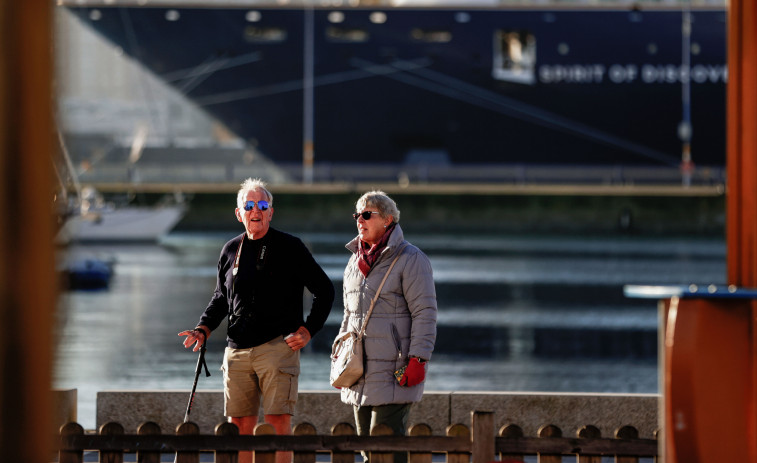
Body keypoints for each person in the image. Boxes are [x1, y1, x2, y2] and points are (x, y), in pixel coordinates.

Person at [179, 178, 335, 463]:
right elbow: (221, 298)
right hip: (236, 352)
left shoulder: (290, 247)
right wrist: (203, 328)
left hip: (278, 348)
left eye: (263, 205)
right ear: (239, 213)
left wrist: (308, 330)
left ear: (271, 212)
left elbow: (325, 291)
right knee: (238, 429)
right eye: (249, 205)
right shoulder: (229, 250)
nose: (256, 210)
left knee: (277, 427)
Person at [337, 190, 437, 463]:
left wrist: (419, 358)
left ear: (388, 220)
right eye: (358, 215)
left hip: (395, 371)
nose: (360, 220)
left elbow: (425, 313)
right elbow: (349, 314)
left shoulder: (411, 259)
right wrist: (339, 354)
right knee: (368, 451)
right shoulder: (354, 262)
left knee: (388, 450)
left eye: (368, 214)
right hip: (358, 372)